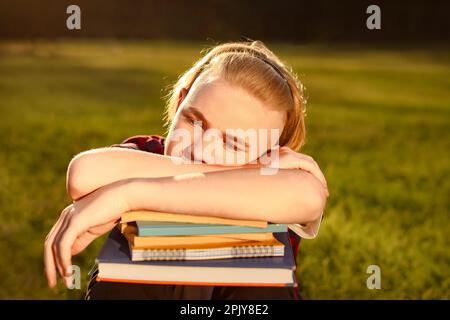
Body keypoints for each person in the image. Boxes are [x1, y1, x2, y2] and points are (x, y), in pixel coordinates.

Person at [44, 40, 329, 299]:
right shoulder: (151, 154)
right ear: (181, 102)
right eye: (195, 122)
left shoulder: (279, 180)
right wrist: (244, 171)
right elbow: (84, 174)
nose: (202, 150)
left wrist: (127, 195)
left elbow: (310, 197)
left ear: (268, 154)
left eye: (234, 144)